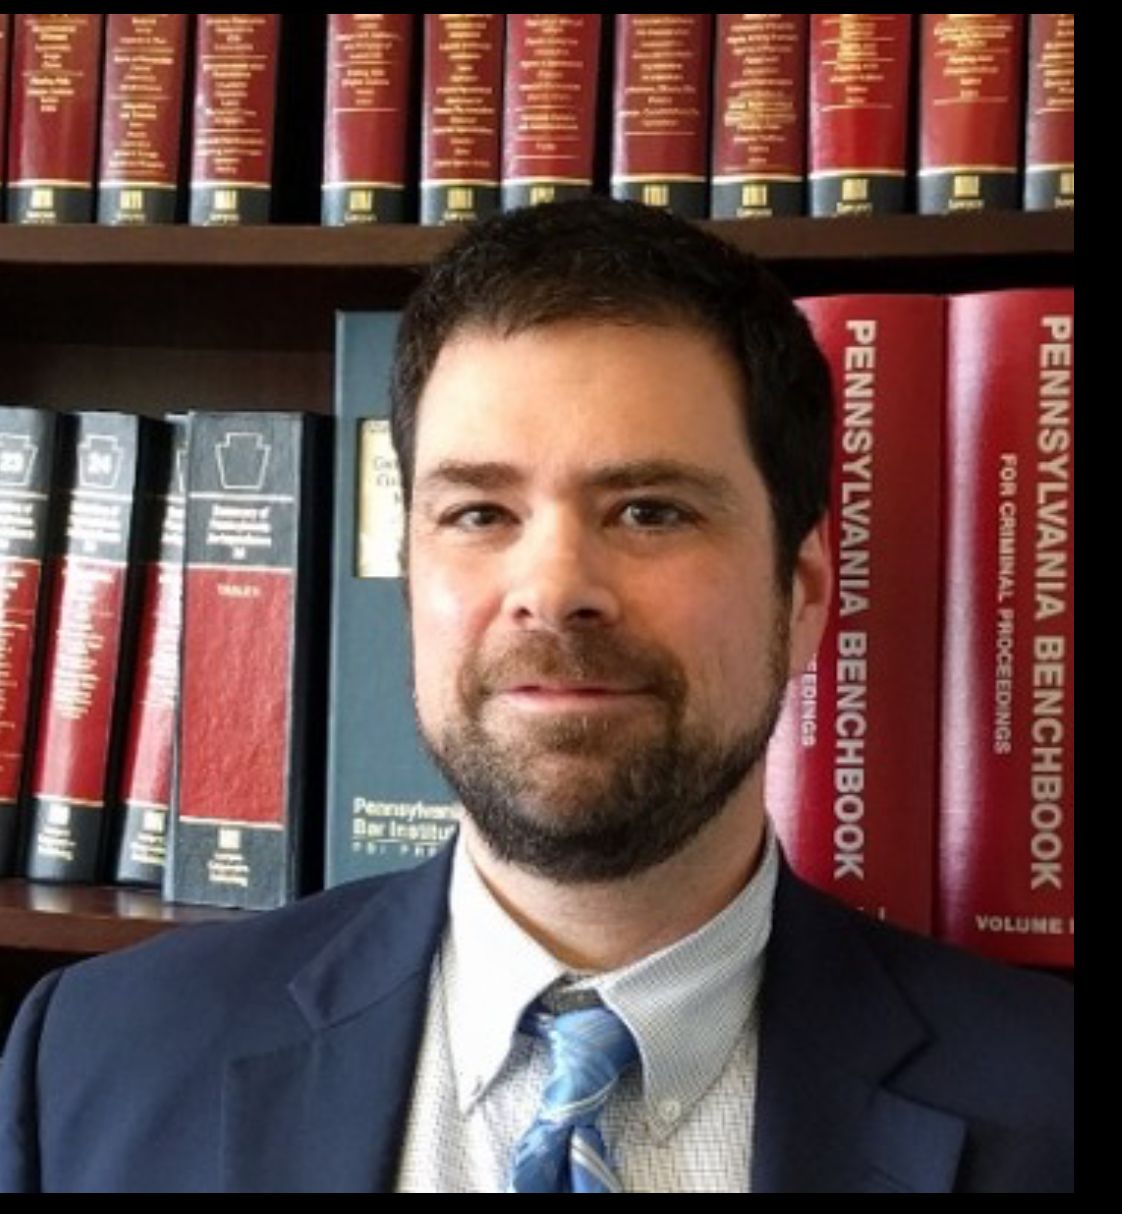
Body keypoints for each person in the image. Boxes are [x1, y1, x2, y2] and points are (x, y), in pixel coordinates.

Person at [0, 199, 1072, 1193]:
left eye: (650, 510)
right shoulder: (102, 1057)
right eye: (478, 512)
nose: (554, 591)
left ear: (800, 596)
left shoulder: (1047, 1103)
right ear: (410, 574)